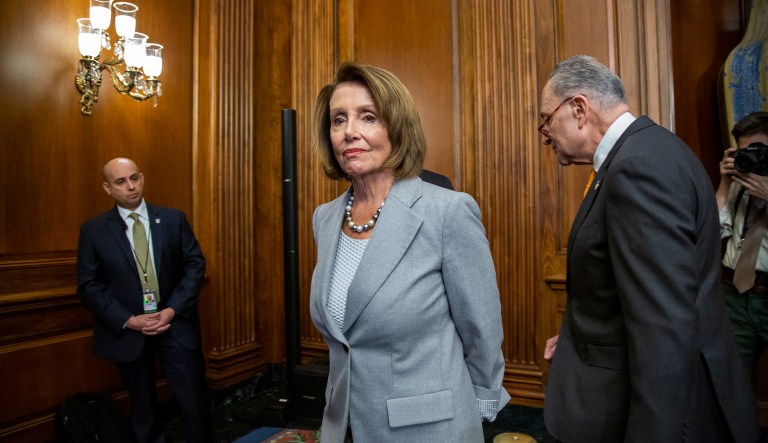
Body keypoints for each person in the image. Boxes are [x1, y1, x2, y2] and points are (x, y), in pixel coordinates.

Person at [539, 55, 760, 442]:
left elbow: (662, 325)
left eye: (546, 119)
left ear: (578, 108)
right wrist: (578, 332)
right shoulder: (650, 150)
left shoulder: (638, 167)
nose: (544, 133)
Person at [309, 62, 510, 442]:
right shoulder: (325, 218)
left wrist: (482, 405)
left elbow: (481, 329)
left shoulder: (447, 211)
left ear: (397, 128)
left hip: (427, 428)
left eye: (368, 117)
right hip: (343, 426)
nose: (349, 132)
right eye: (338, 120)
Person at [77, 158, 211, 443]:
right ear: (107, 187)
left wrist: (172, 309)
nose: (131, 186)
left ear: (142, 177)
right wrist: (128, 319)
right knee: (143, 408)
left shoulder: (173, 219)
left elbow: (195, 265)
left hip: (175, 324)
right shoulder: (94, 231)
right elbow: (89, 285)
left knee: (193, 401)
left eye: (135, 178)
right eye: (121, 182)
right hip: (129, 331)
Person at [717, 111, 768, 389]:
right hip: (734, 293)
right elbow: (712, 230)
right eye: (746, 151)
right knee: (734, 384)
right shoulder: (740, 181)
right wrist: (725, 183)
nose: (753, 158)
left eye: (759, 151)